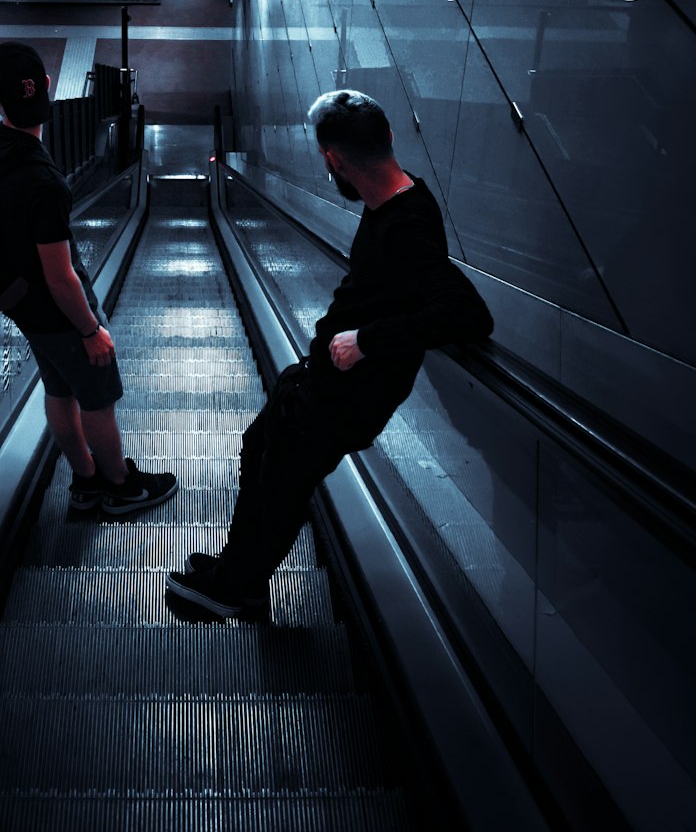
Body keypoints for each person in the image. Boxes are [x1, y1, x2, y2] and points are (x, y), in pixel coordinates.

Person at [167, 88, 494, 617]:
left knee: (282, 482)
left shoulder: (407, 224)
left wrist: (367, 340)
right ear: (388, 137)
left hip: (351, 396)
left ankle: (240, 589)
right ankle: (235, 565)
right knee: (260, 450)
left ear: (333, 160)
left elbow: (468, 314)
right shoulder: (395, 199)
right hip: (323, 381)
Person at [0, 41, 176, 517]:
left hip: (26, 309)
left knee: (59, 391)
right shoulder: (44, 180)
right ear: (46, 87)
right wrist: (91, 331)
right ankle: (119, 487)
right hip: (61, 312)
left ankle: (84, 482)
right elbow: (61, 276)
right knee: (98, 398)